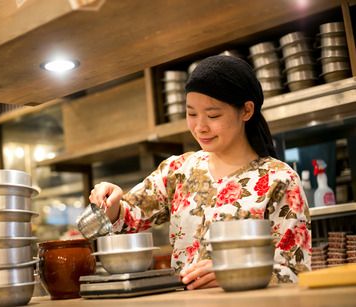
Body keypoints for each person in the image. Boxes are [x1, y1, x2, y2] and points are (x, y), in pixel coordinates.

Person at [89, 55, 311, 290]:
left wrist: (235, 270)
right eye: (192, 114)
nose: (200, 126)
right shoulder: (179, 171)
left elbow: (295, 270)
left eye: (213, 115)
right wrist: (111, 203)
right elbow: (128, 217)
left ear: (246, 111)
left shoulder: (279, 179)